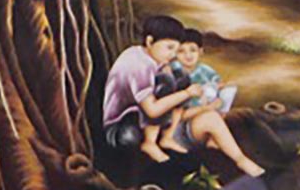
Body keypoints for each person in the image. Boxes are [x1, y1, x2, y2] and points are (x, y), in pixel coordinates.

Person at [103, 17, 264, 175]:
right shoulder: (139, 66)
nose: (174, 55)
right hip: (123, 128)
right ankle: (150, 143)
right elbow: (152, 110)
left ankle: (237, 158)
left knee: (178, 82)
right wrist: (188, 94)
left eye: (176, 49)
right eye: (171, 48)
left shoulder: (151, 58)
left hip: (152, 122)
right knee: (169, 83)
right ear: (150, 41)